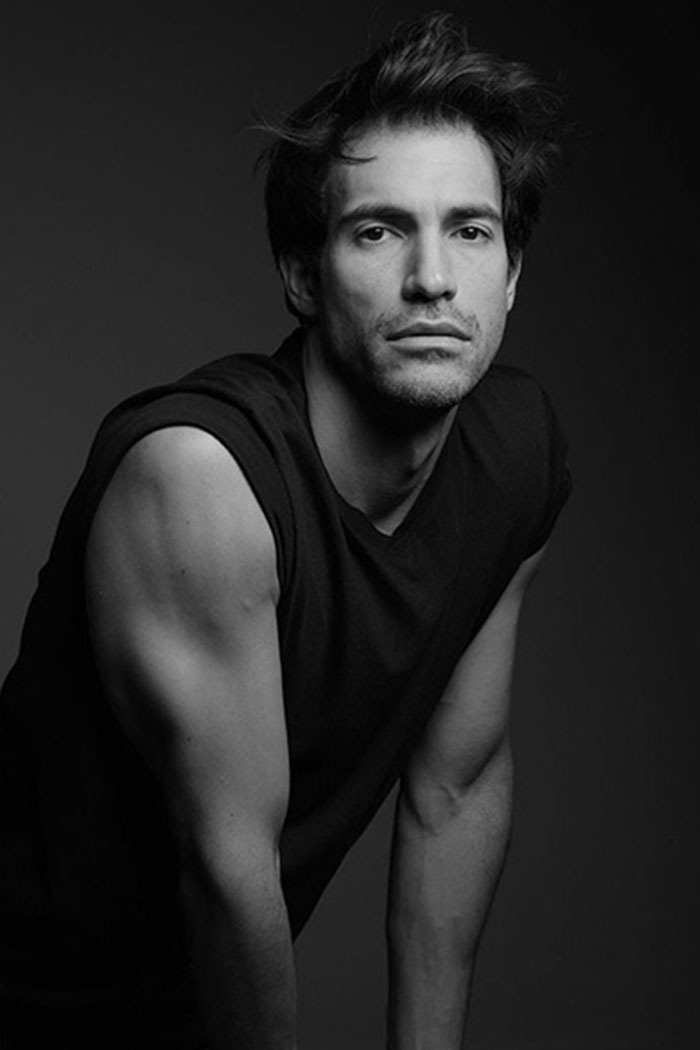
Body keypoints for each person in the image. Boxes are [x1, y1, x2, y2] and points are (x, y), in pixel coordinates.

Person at [0, 11, 571, 1050]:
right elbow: (227, 872)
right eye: (378, 231)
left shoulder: (515, 457)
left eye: (471, 231)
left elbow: (455, 786)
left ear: (513, 273)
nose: (433, 279)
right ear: (303, 274)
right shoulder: (201, 478)